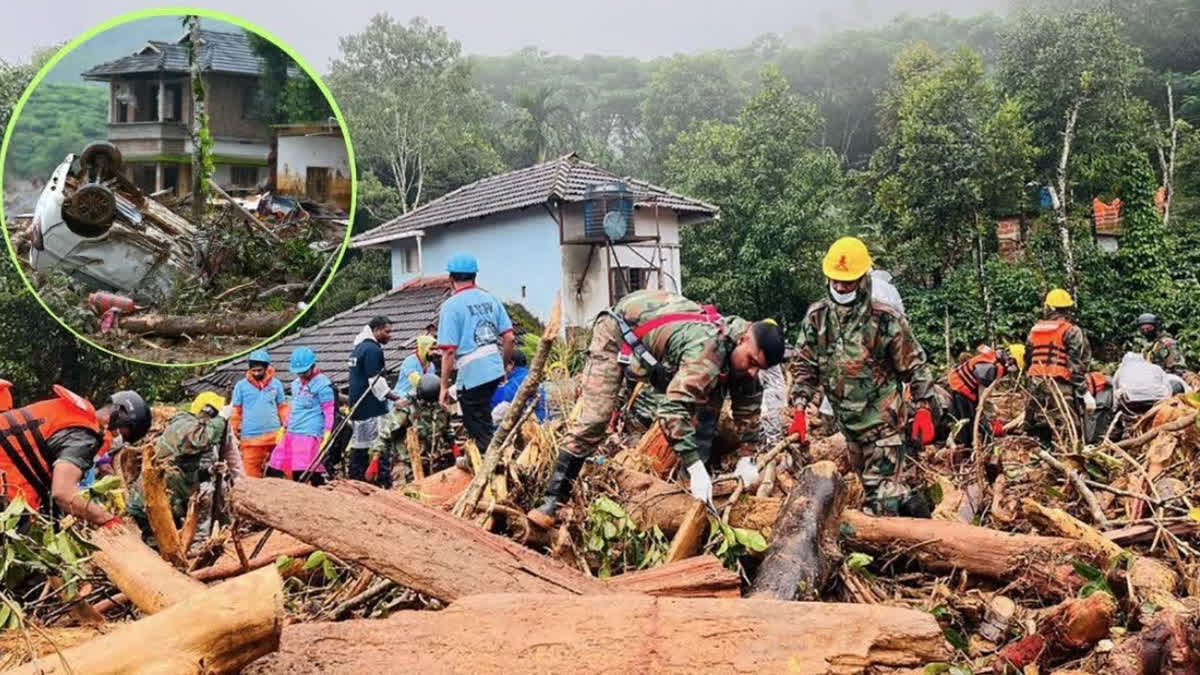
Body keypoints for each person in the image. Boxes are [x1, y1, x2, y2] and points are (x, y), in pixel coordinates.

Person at [527, 289, 785, 529]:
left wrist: (747, 457)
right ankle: (553, 499)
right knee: (597, 418)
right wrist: (696, 468)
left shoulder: (742, 358)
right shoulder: (707, 352)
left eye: (759, 367)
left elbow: (748, 405)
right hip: (620, 329)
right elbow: (671, 410)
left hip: (666, 338)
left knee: (706, 415)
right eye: (751, 361)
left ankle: (689, 494)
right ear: (742, 339)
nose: (752, 371)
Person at [788, 237, 937, 516]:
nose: (842, 288)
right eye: (836, 281)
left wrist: (925, 408)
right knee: (877, 490)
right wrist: (799, 408)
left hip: (884, 424)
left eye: (849, 282)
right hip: (850, 427)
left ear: (863, 278)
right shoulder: (817, 318)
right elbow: (805, 365)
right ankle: (918, 512)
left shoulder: (885, 319)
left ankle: (911, 543)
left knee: (881, 502)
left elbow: (915, 365)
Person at [0, 387, 149, 526]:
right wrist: (105, 519)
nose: (116, 436)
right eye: (122, 433)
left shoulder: (69, 412)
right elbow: (63, 494)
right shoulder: (85, 437)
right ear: (120, 417)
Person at [126, 392, 243, 552]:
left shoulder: (189, 426)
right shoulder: (185, 427)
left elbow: (184, 471)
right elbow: (201, 438)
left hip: (165, 501)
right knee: (161, 547)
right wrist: (221, 419)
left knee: (168, 544)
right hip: (152, 504)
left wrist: (209, 471)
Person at [437, 253, 514, 454]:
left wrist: (444, 386)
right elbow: (509, 338)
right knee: (484, 419)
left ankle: (490, 466)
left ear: (451, 279)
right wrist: (504, 366)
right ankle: (492, 459)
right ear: (475, 277)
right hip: (493, 370)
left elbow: (449, 352)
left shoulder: (451, 306)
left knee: (478, 429)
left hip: (472, 377)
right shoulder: (491, 299)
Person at [1023, 288, 1092, 447]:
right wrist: (1084, 391)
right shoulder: (1072, 331)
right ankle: (1068, 459)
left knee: (1038, 425)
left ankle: (1043, 455)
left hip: (1036, 384)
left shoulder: (1034, 331)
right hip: (1059, 385)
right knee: (1070, 427)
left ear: (1048, 308)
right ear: (1068, 309)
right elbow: (1075, 366)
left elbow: (1028, 360)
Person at [366, 374, 456, 483]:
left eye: (432, 402)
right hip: (407, 464)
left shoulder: (440, 410)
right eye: (426, 402)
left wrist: (455, 448)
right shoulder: (406, 409)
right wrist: (375, 460)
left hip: (434, 463)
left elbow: (447, 430)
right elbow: (385, 435)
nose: (429, 404)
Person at [347, 317, 402, 485]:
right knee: (380, 445)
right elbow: (376, 381)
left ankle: (356, 479)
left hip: (357, 408)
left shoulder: (358, 348)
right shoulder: (372, 350)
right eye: (387, 331)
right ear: (376, 330)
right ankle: (382, 482)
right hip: (372, 407)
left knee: (360, 445)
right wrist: (396, 398)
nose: (390, 335)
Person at [268, 347, 334, 485]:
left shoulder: (323, 385)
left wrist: (328, 432)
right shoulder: (296, 384)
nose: (301, 375)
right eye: (299, 373)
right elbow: (295, 406)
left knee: (308, 468)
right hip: (293, 430)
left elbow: (329, 411)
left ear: (312, 366)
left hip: (310, 433)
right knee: (279, 464)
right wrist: (285, 426)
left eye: (304, 372)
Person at [230, 349, 288, 478]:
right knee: (250, 479)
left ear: (267, 368)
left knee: (283, 475)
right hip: (251, 440)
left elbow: (282, 407)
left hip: (275, 437)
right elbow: (236, 412)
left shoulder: (276, 384)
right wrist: (233, 434)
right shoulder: (241, 386)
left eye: (259, 371)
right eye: (253, 371)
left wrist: (287, 425)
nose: (256, 373)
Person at [943, 345, 1017, 446]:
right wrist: (989, 416)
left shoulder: (992, 363)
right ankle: (965, 446)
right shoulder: (989, 368)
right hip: (961, 388)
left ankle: (969, 442)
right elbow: (983, 396)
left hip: (963, 387)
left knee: (970, 418)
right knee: (967, 420)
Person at [490, 350, 547, 423]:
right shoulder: (528, 376)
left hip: (529, 424)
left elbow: (499, 400)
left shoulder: (516, 381)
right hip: (541, 420)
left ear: (511, 364)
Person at [393, 335, 437, 402]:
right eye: (431, 349)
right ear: (423, 348)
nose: (434, 352)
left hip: (418, 399)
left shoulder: (431, 366)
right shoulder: (410, 361)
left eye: (435, 349)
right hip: (401, 399)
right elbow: (417, 382)